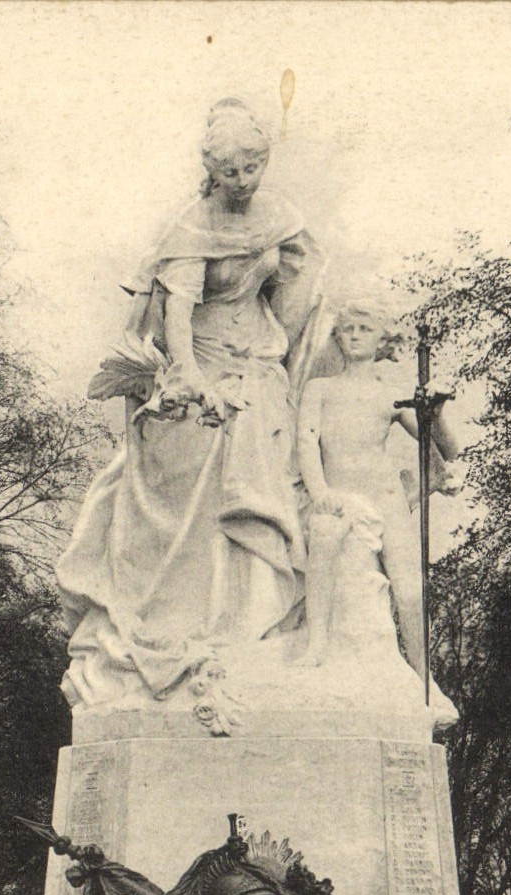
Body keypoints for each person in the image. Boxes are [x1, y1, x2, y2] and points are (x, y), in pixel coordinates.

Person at [57, 99, 325, 717]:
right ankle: (186, 626)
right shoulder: (191, 227)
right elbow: (177, 319)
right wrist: (194, 379)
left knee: (261, 433)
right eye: (231, 170)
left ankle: (255, 625)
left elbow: (301, 283)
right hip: (198, 359)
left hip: (256, 355)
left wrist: (281, 340)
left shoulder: (281, 217)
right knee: (205, 447)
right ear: (212, 169)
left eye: (253, 166)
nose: (243, 180)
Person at [296, 300, 460, 683]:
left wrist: (436, 413)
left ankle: (424, 678)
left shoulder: (390, 394)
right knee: (322, 544)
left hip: (385, 497)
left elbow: (446, 449)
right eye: (348, 328)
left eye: (364, 329)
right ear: (337, 336)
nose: (354, 336)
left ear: (381, 339)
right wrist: (319, 489)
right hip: (338, 494)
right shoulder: (320, 389)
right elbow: (307, 443)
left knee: (409, 590)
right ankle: (316, 644)